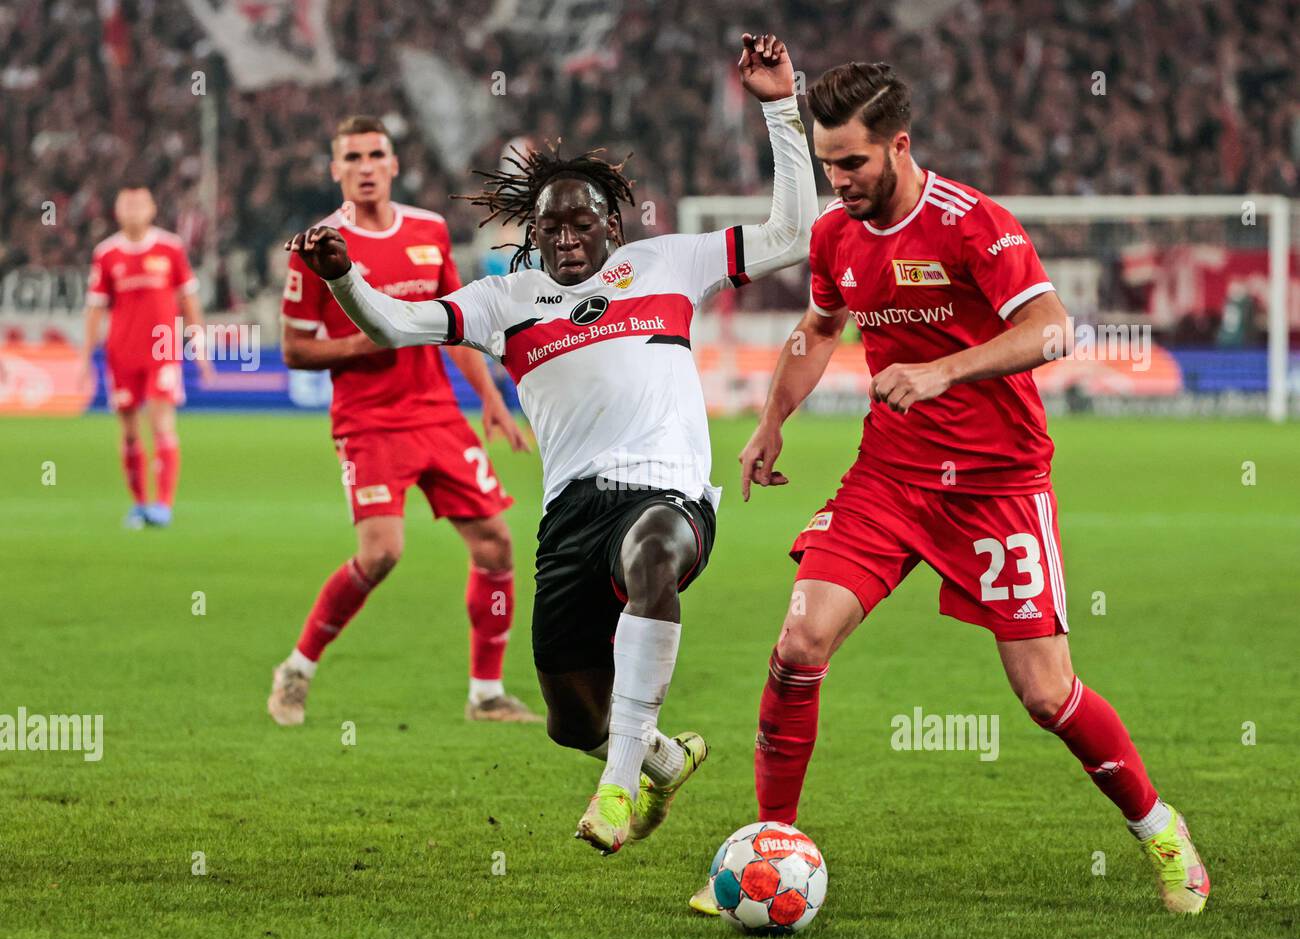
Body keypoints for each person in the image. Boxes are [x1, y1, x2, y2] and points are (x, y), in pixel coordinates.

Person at [692, 60, 1209, 916]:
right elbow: (819, 328)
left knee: (1046, 693)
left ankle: (1159, 827)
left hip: (998, 484)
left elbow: (1051, 331)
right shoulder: (835, 234)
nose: (841, 182)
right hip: (890, 477)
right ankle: (770, 846)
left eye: (853, 163)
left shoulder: (977, 226)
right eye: (828, 165)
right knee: (798, 642)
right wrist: (772, 420)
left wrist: (944, 372)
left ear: (899, 145)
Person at [286, 34, 817, 854]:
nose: (566, 236)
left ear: (612, 220)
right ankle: (660, 757)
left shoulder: (669, 263)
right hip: (570, 513)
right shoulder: (507, 299)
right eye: (549, 225)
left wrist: (781, 106)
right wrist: (343, 279)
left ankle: (615, 795)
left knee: (653, 559)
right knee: (573, 719)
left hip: (667, 489)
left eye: (580, 220)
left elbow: (792, 232)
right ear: (533, 234)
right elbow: (396, 324)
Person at [270, 115, 539, 727]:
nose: (365, 167)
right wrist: (365, 346)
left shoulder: (428, 230)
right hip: (367, 420)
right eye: (352, 157)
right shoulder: (315, 246)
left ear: (393, 165)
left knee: (497, 542)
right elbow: (294, 350)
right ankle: (297, 669)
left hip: (436, 413)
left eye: (375, 155)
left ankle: (486, 694)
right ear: (336, 170)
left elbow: (457, 324)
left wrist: (492, 399)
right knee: (382, 553)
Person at [83, 184, 214, 528]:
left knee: (160, 423)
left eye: (140, 203)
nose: (133, 210)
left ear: (152, 208)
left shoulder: (170, 248)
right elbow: (95, 309)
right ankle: (139, 504)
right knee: (128, 431)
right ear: (117, 209)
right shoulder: (106, 253)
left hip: (163, 348)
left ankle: (163, 505)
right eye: (127, 203)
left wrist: (199, 346)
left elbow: (189, 300)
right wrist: (84, 357)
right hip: (121, 353)